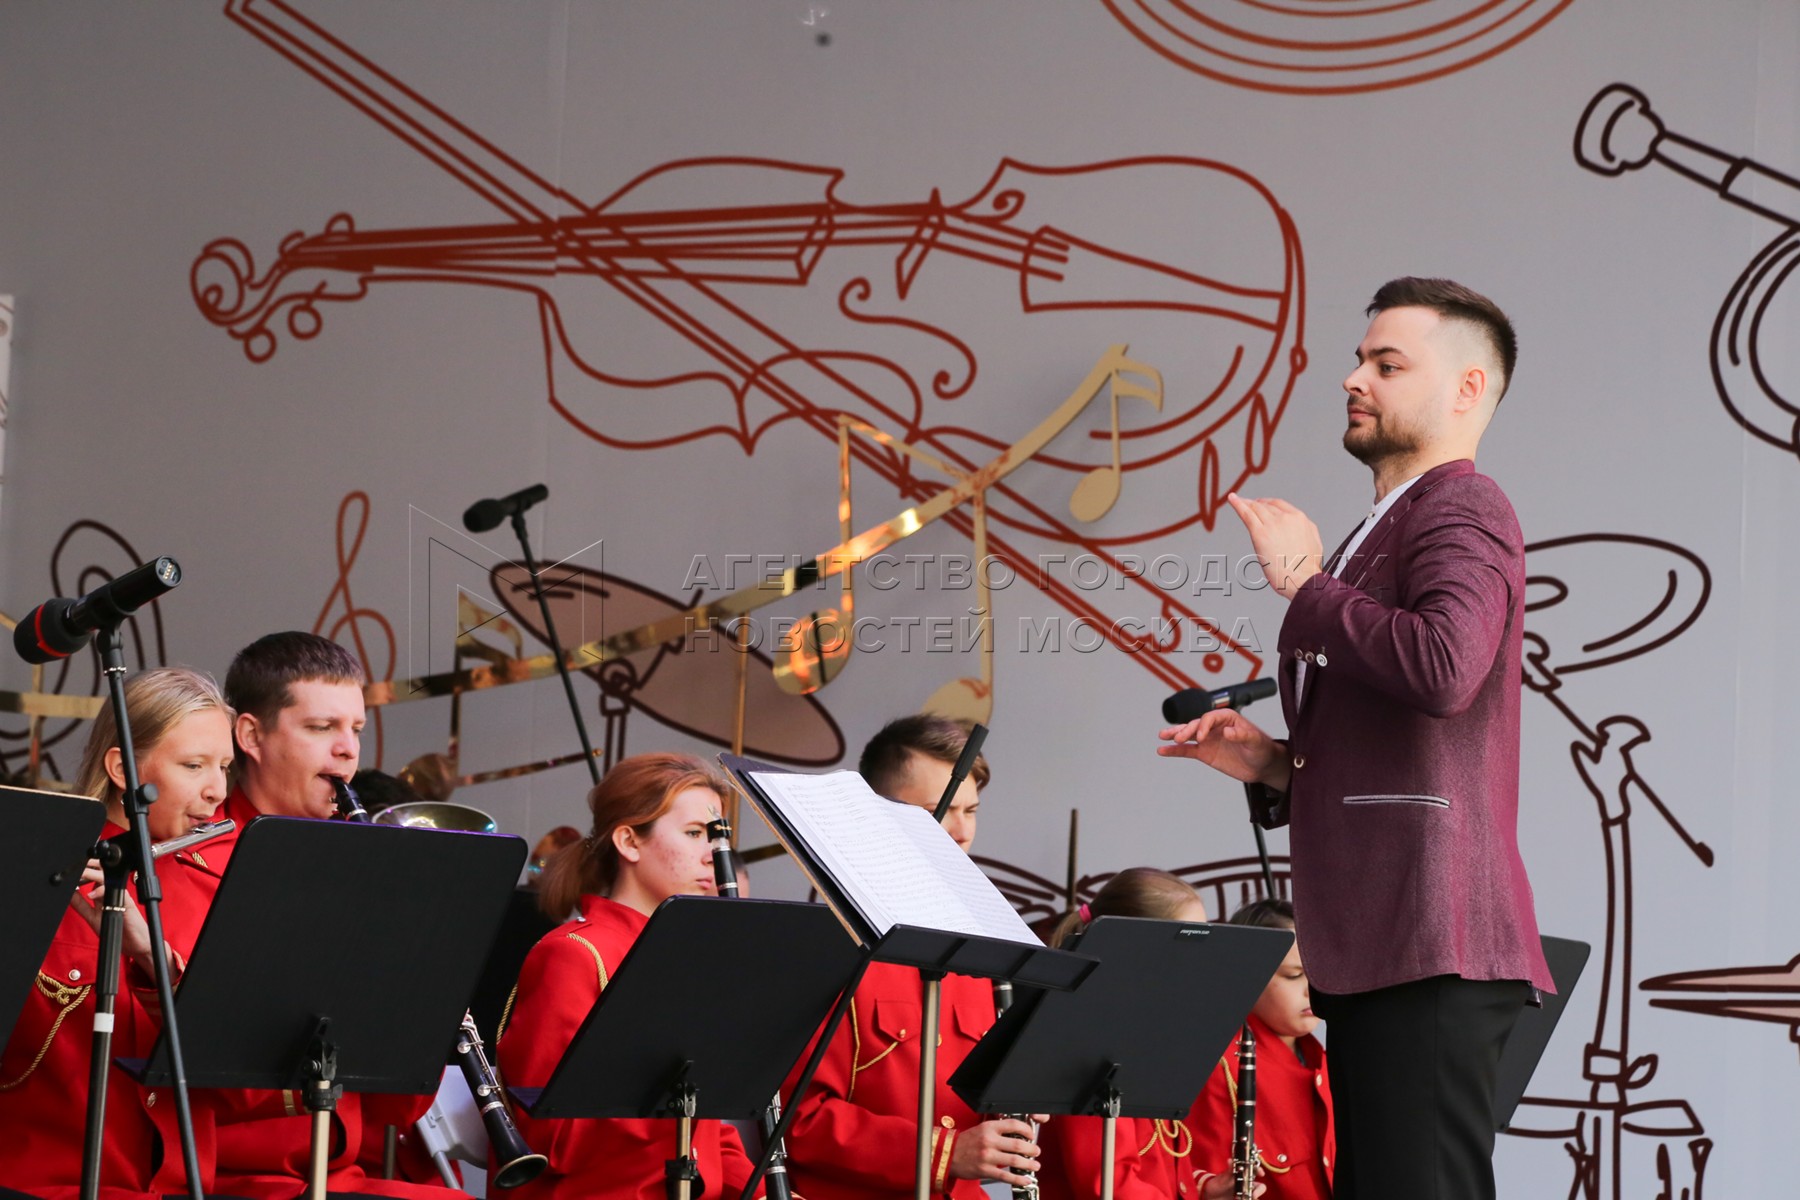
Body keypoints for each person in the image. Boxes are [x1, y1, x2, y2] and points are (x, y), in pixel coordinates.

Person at [1157, 278, 1554, 1200]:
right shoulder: (1387, 525)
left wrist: (1306, 585)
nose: (1354, 378)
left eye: (1388, 364)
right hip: (1394, 940)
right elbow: (1401, 726)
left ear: (1467, 389)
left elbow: (1445, 667)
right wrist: (1272, 763)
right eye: (1360, 359)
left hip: (1431, 934)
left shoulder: (1463, 506)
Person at [155, 631, 461, 1200]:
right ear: (251, 736)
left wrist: (424, 995)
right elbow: (208, 1076)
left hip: (335, 1173)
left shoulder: (363, 867)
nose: (348, 750)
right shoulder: (182, 866)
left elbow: (397, 1108)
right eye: (322, 727)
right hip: (229, 1182)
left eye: (356, 730)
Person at [781, 714, 1041, 1200]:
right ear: (877, 814)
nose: (962, 831)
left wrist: (1014, 1101)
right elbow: (800, 1122)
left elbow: (967, 1107)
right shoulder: (831, 941)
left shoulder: (982, 936)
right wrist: (945, 1152)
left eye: (971, 810)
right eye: (938, 810)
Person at [0, 667, 232, 1199]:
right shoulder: (34, 875)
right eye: (193, 765)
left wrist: (152, 955)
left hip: (176, 1187)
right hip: (40, 1184)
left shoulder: (218, 889)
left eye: (224, 767)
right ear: (123, 769)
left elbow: (237, 1080)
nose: (217, 791)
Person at [495, 752, 761, 1199]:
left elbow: (709, 1135)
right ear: (629, 842)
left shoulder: (691, 961)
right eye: (694, 833)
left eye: (717, 838)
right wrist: (673, 1109)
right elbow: (549, 1135)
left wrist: (762, 1191)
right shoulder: (573, 954)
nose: (713, 856)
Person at [1035, 869, 1251, 1200]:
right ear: (1135, 945)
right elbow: (1108, 1184)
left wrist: (1201, 1188)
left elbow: (1157, 1156)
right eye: (1190, 940)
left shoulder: (1145, 1025)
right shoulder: (1090, 1032)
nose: (1203, 958)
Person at [1188, 900, 1332, 1200]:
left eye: (1318, 972)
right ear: (1247, 977)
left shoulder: (1327, 1059)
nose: (1311, 988)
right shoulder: (1221, 1067)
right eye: (1293, 975)